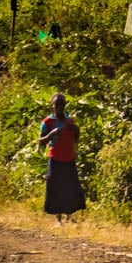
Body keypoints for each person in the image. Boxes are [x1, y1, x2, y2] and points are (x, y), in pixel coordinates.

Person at [37, 93, 86, 224]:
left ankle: (69, 217)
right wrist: (51, 134)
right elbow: (41, 141)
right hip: (55, 159)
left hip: (69, 158)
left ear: (64, 106)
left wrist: (77, 131)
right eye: (56, 104)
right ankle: (58, 219)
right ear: (52, 106)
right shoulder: (47, 122)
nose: (59, 107)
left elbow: (75, 140)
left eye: (61, 104)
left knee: (70, 188)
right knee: (56, 188)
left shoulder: (69, 121)